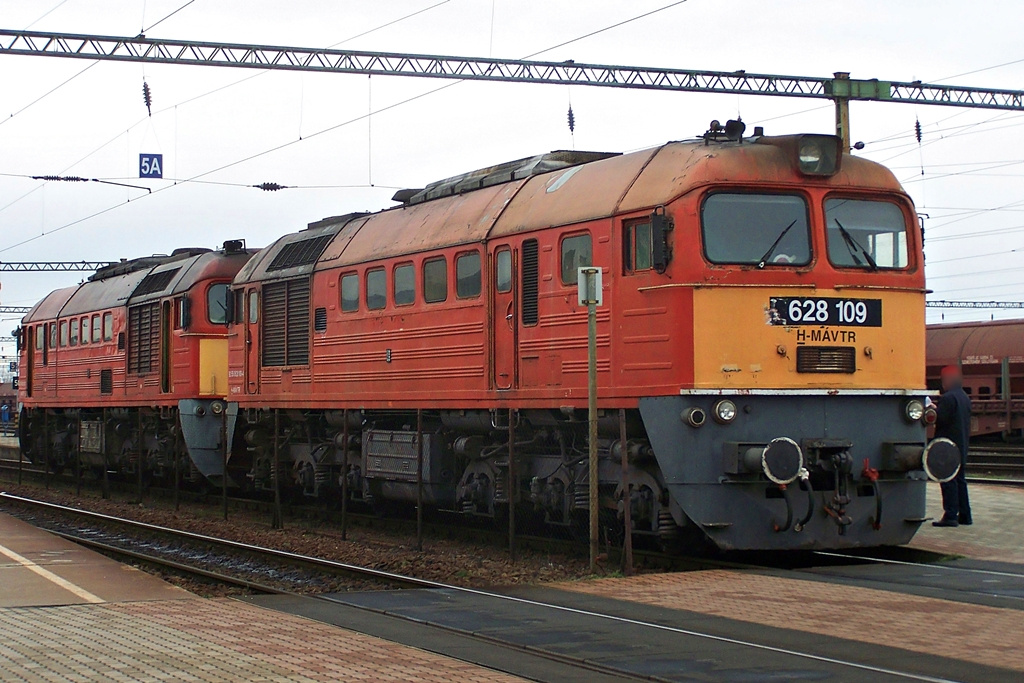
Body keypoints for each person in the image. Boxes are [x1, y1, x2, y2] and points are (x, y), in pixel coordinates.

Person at [933, 365, 973, 527]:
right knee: (960, 481)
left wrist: (933, 409)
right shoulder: (964, 397)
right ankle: (965, 515)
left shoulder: (948, 398)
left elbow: (941, 419)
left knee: (948, 479)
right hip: (962, 444)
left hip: (948, 446)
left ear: (948, 381)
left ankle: (950, 515)